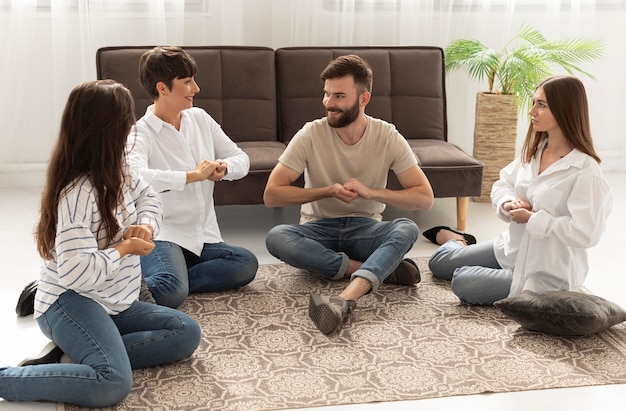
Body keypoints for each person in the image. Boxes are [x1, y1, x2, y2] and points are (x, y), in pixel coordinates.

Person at [0, 80, 201, 407]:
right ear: (108, 129)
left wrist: (145, 227)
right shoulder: (77, 194)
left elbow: (149, 197)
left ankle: (74, 359)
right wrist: (124, 248)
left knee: (186, 332)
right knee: (112, 382)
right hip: (69, 301)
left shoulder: (118, 169)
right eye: (127, 119)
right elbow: (77, 275)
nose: (132, 126)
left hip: (115, 300)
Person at [264, 54, 435, 335]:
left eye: (339, 96)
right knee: (278, 237)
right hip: (318, 230)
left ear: (364, 98)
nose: (329, 103)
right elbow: (272, 194)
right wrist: (326, 191)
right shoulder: (310, 134)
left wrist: (372, 193)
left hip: (365, 229)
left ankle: (345, 298)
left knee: (406, 227)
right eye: (327, 94)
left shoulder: (387, 136)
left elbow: (424, 197)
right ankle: (379, 269)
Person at [426, 75, 613, 305]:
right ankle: (460, 240)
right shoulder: (536, 151)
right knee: (438, 263)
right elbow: (502, 183)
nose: (532, 111)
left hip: (543, 275)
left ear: (564, 110)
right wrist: (509, 202)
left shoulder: (585, 172)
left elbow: (586, 233)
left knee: (463, 281)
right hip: (511, 250)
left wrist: (533, 219)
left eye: (541, 105)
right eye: (534, 103)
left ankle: (468, 254)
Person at [126, 46, 258, 308]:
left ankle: (170, 278)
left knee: (246, 264)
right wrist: (191, 176)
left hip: (203, 235)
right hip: (164, 233)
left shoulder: (200, 118)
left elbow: (241, 158)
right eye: (187, 82)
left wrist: (224, 167)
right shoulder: (140, 133)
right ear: (163, 88)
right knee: (171, 293)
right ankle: (109, 287)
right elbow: (134, 176)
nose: (196, 88)